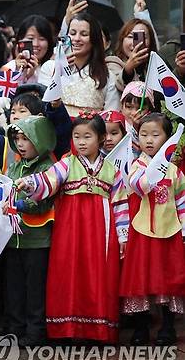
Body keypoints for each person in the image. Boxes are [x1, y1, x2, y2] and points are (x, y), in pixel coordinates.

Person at [16, 113, 129, 343]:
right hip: (71, 232)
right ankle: (67, 330)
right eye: (77, 136)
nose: (81, 142)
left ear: (101, 138)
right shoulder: (68, 163)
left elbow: (120, 204)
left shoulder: (112, 171)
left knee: (97, 275)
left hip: (101, 233)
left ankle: (97, 331)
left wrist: (122, 235)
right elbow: (47, 180)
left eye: (88, 136)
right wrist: (29, 183)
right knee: (68, 273)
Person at [120, 113, 185, 346]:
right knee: (141, 278)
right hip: (143, 233)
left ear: (167, 138)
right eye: (144, 135)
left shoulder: (175, 171)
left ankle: (167, 327)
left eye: (155, 135)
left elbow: (181, 201)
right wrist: (155, 170)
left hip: (169, 233)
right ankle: (141, 328)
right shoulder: (137, 166)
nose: (149, 140)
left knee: (169, 279)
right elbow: (139, 185)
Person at [4, 116, 56, 347]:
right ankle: (15, 329)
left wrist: (22, 205)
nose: (21, 143)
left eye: (26, 138)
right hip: (12, 238)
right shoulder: (14, 166)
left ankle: (35, 332)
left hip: (37, 238)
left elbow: (43, 201)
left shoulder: (48, 168)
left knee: (35, 289)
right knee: (14, 287)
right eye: (17, 138)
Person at [41, 13, 119, 116]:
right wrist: (57, 75)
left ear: (94, 39)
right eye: (72, 33)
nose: (76, 38)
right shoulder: (49, 67)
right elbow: (41, 106)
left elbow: (111, 116)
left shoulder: (108, 77)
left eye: (84, 34)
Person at [106, 18, 157, 93]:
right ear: (122, 40)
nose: (135, 43)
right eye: (130, 37)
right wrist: (128, 69)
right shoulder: (112, 63)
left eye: (142, 37)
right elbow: (118, 84)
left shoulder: (154, 67)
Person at [3, 15, 55, 85]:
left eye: (42, 39)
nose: (36, 44)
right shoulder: (9, 68)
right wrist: (22, 75)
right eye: (30, 38)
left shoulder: (53, 69)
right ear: (20, 40)